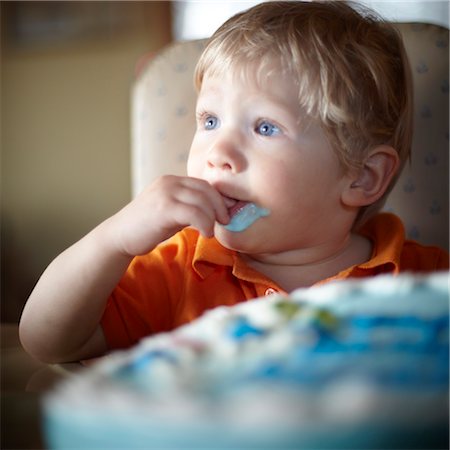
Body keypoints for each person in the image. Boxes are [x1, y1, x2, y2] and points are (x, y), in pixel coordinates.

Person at [19, 1, 449, 363]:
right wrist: (113, 240)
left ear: (362, 176)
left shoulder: (421, 280)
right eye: (210, 121)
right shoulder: (182, 270)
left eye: (265, 128)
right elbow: (46, 341)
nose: (217, 154)